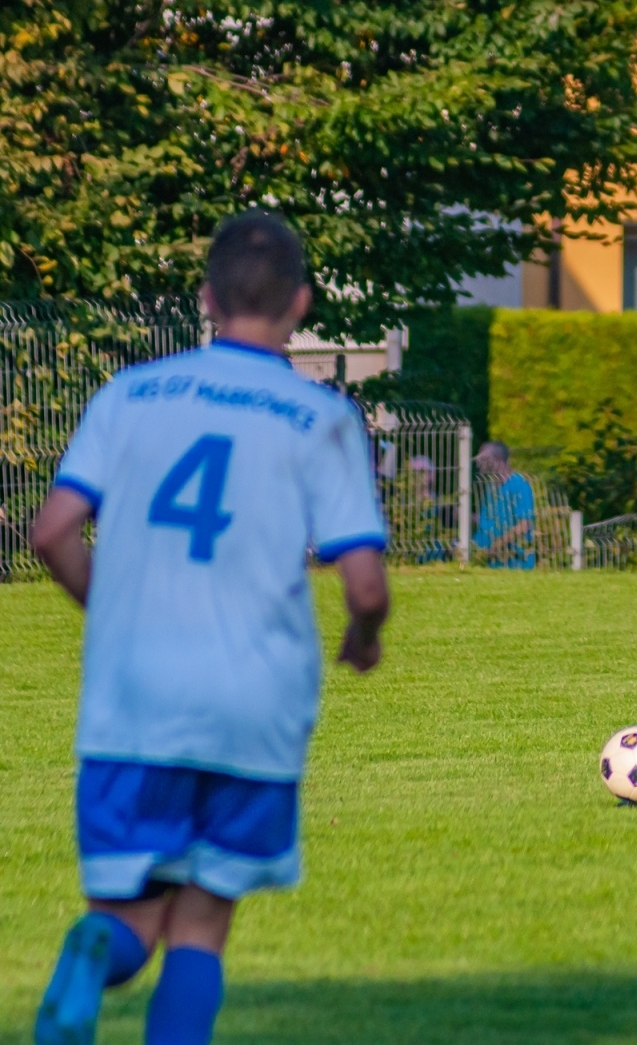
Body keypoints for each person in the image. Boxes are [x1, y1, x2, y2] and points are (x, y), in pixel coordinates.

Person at [30, 211, 391, 1045]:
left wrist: (118, 609)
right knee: (200, 925)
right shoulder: (320, 417)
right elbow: (364, 581)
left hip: (134, 695)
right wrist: (364, 636)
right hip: (253, 702)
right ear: (301, 302)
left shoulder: (130, 395)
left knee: (126, 915)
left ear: (206, 298)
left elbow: (50, 531)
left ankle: (96, 948)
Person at [471, 440, 536, 568]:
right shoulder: (491, 487)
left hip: (513, 563)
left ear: (499, 459)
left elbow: (524, 524)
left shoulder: (519, 485)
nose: (479, 462)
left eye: (483, 458)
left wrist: (496, 546)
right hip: (487, 562)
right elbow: (489, 521)